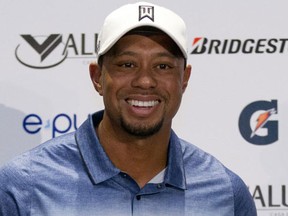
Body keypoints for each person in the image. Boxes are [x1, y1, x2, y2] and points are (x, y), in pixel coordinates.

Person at [0, 2, 257, 215]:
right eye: (127, 64)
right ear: (97, 77)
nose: (145, 81)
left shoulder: (226, 193)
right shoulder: (23, 185)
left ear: (184, 79)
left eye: (163, 66)